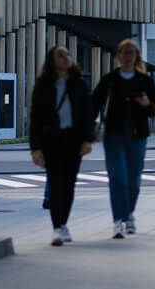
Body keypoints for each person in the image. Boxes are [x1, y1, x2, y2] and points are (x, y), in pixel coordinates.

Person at [91, 38, 155, 239]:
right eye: (124, 52)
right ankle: (118, 220)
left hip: (137, 134)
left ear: (137, 56)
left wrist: (147, 104)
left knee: (134, 181)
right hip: (113, 133)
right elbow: (93, 103)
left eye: (131, 52)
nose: (128, 56)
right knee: (118, 178)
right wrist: (89, 129)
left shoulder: (144, 80)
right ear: (119, 56)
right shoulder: (110, 80)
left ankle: (128, 214)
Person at [29, 45, 94, 246]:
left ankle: (63, 223)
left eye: (67, 54)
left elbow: (87, 114)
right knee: (55, 183)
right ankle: (57, 227)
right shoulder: (43, 85)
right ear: (52, 61)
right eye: (60, 55)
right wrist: (35, 148)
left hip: (73, 139)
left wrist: (87, 139)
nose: (66, 58)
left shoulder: (79, 84)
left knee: (69, 184)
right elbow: (36, 118)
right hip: (52, 140)